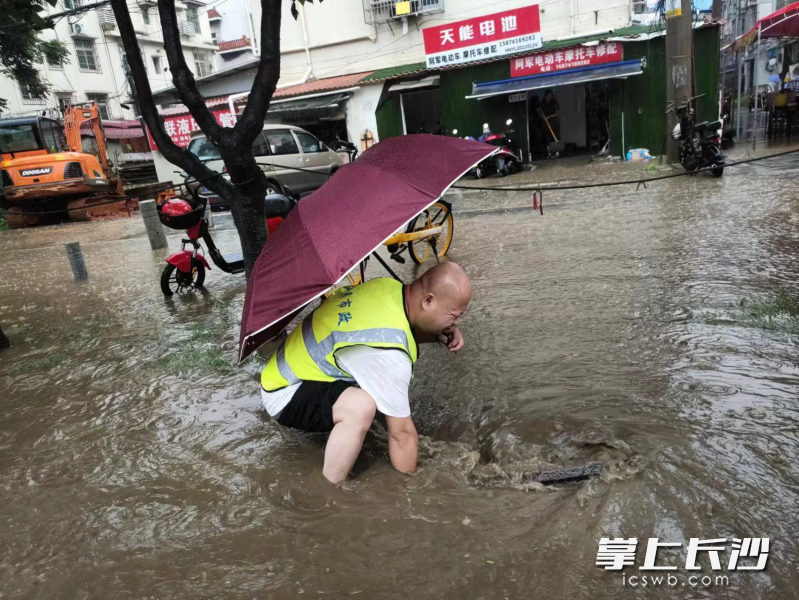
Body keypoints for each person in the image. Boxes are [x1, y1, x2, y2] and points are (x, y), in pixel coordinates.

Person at [260, 262, 472, 483]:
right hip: (285, 392)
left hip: (289, 367)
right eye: (454, 315)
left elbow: (386, 332)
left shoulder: (388, 287)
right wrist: (413, 491)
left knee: (378, 396)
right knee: (361, 408)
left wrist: (435, 333)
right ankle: (331, 487)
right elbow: (402, 436)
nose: (456, 322)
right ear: (428, 301)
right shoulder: (390, 355)